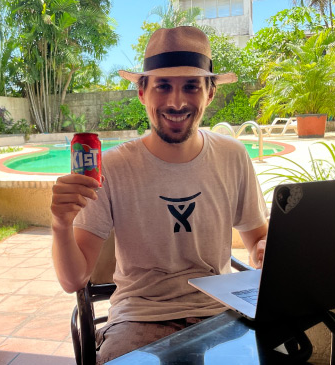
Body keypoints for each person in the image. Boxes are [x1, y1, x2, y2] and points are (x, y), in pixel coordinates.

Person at [50, 26, 269, 363]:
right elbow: (73, 279)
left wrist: (263, 251)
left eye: (191, 86)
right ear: (142, 92)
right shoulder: (114, 168)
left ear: (210, 94)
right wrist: (60, 225)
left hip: (220, 313)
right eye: (163, 86)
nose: (177, 102)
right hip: (138, 318)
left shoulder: (233, 156)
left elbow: (258, 241)